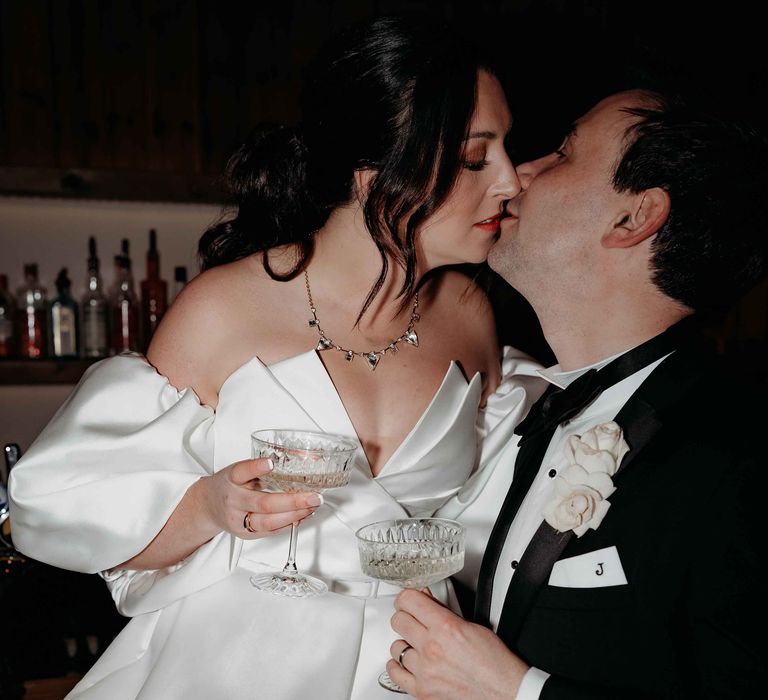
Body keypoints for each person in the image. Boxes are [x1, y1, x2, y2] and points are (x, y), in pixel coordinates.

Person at [7, 15, 546, 700]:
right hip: (235, 667)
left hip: (419, 668)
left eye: (507, 149)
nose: (510, 180)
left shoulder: (472, 316)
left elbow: (499, 526)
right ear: (369, 168)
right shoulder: (221, 311)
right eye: (476, 157)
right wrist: (208, 507)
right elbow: (75, 517)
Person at [387, 87, 766, 698]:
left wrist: (519, 692)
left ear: (634, 219)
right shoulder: (542, 410)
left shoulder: (738, 458)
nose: (517, 174)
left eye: (562, 154)